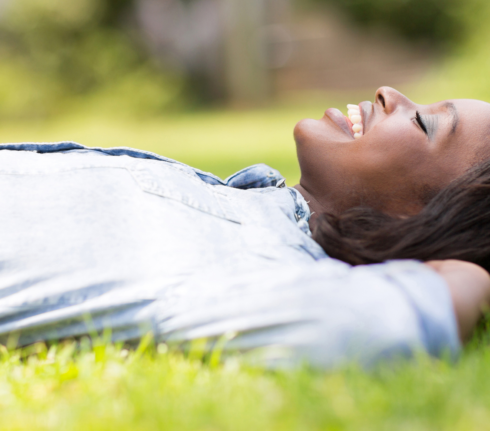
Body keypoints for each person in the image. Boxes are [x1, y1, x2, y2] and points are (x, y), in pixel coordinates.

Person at [0, 86, 488, 369]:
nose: (389, 94)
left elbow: (397, 319)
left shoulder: (256, 269)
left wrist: (465, 271)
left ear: (418, 224)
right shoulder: (245, 219)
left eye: (425, 124)